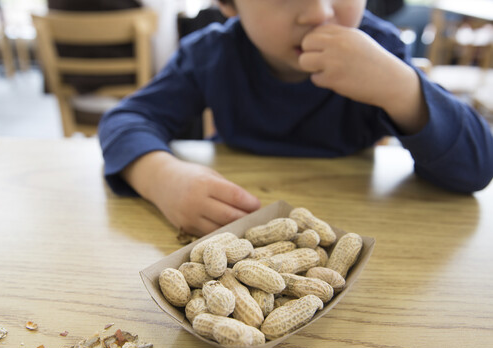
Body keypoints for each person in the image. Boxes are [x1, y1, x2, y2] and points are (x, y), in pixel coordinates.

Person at [98, 0, 493, 237]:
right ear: (229, 3)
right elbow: (126, 119)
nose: (320, 12)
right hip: (235, 225)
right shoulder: (210, 55)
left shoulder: (382, 51)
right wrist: (161, 177)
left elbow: (477, 167)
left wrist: (402, 90)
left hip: (365, 234)